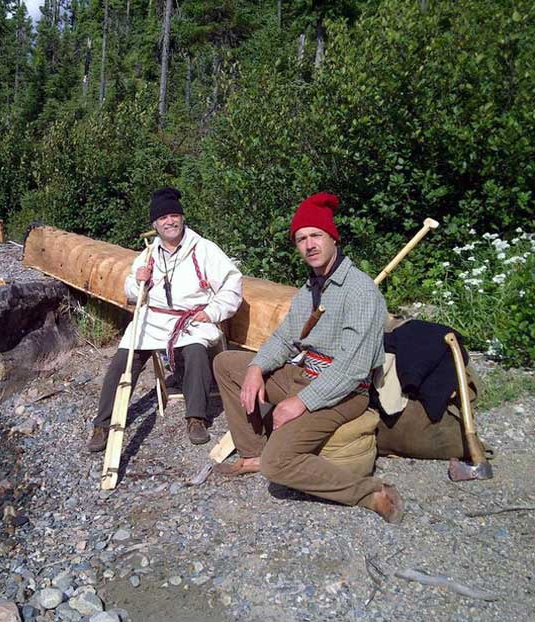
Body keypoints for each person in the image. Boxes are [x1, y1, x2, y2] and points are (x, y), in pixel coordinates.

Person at [212, 192, 404, 523]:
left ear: (333, 238)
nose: (309, 244)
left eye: (316, 235)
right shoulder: (310, 289)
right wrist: (257, 367)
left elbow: (353, 368)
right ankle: (253, 453)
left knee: (279, 465)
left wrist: (301, 403)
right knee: (227, 364)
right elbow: (286, 338)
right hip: (303, 375)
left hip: (345, 392)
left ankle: (371, 492)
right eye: (301, 238)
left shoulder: (359, 291)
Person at [87, 187, 243, 451]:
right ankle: (104, 423)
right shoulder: (148, 254)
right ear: (155, 225)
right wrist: (139, 282)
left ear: (182, 218)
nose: (169, 221)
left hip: (191, 321)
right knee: (122, 361)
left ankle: (196, 417)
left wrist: (212, 312)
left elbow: (232, 284)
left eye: (174, 215)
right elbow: (132, 292)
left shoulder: (203, 249)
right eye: (163, 218)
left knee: (195, 351)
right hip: (153, 321)